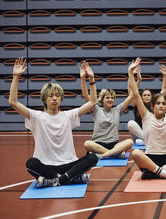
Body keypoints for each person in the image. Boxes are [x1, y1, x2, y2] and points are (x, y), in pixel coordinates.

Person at [9, 57, 99, 188]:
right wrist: (16, 76)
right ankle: (70, 178)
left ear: (61, 99)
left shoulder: (68, 115)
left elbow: (93, 102)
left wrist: (91, 78)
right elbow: (13, 102)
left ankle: (55, 180)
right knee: (31, 163)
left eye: (57, 95)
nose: (55, 98)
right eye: (51, 96)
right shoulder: (36, 116)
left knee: (93, 158)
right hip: (47, 165)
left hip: (69, 164)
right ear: (45, 99)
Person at [81, 60, 136, 159]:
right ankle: (114, 154)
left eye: (112, 98)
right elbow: (85, 95)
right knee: (87, 144)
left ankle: (104, 155)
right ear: (102, 100)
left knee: (130, 142)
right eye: (107, 97)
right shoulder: (96, 109)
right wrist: (83, 78)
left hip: (114, 144)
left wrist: (132, 75)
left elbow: (132, 95)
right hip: (97, 144)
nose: (110, 99)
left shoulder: (118, 110)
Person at [127, 64, 166, 143]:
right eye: (144, 95)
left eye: (148, 95)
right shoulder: (137, 104)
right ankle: (148, 140)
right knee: (130, 123)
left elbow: (163, 90)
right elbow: (131, 91)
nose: (146, 97)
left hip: (151, 133)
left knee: (139, 142)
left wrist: (165, 76)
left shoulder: (155, 105)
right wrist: (131, 74)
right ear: (141, 97)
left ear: (152, 97)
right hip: (139, 133)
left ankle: (146, 140)